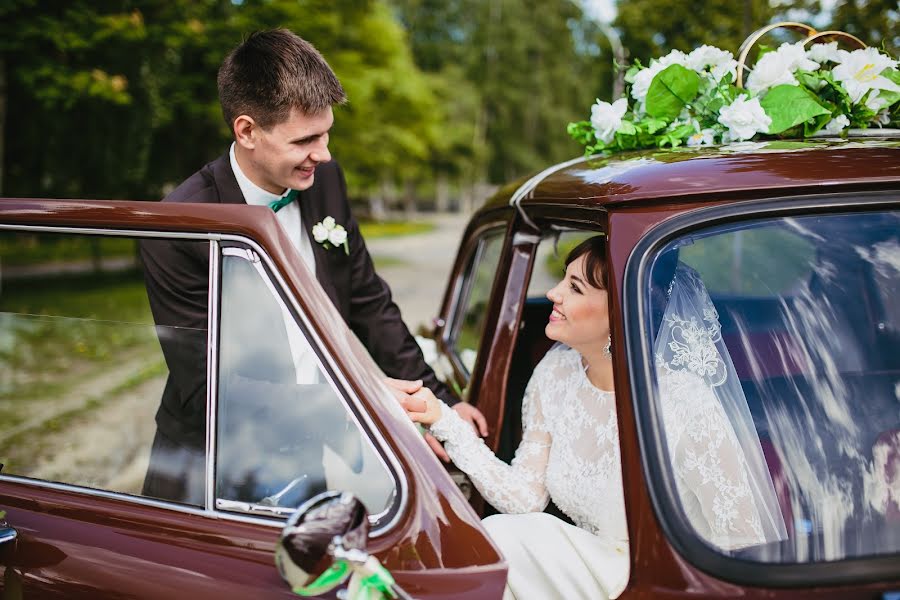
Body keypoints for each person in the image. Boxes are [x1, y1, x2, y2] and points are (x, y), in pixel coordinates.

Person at [140, 28, 485, 504]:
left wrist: (442, 406)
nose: (322, 154)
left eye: (326, 134)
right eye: (305, 140)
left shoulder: (325, 180)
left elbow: (368, 302)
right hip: (216, 467)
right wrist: (357, 401)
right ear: (247, 131)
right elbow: (209, 388)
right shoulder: (179, 226)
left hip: (310, 460)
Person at [399, 236, 786, 599]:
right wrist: (444, 421)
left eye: (575, 288)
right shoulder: (554, 375)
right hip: (586, 564)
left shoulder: (681, 400)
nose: (553, 294)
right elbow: (524, 496)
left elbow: (741, 536)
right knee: (499, 539)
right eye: (563, 280)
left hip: (663, 581)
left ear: (620, 312)